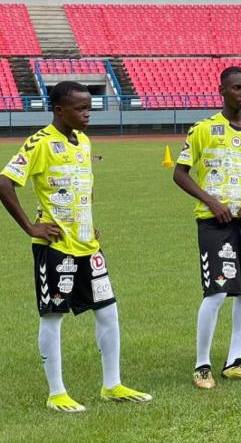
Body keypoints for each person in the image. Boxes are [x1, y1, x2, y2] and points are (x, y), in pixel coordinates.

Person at [0, 81, 151, 412]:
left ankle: (112, 385)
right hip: (55, 247)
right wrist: (30, 226)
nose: (88, 114)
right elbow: (4, 182)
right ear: (58, 110)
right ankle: (57, 392)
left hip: (88, 245)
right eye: (80, 109)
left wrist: (87, 220)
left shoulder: (83, 141)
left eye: (89, 107)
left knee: (108, 311)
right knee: (53, 316)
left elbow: (80, 188)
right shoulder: (39, 142)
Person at [173, 66, 241, 389]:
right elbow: (180, 173)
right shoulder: (203, 129)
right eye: (237, 88)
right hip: (212, 224)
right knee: (216, 291)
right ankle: (202, 365)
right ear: (222, 91)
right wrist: (212, 201)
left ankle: (234, 361)